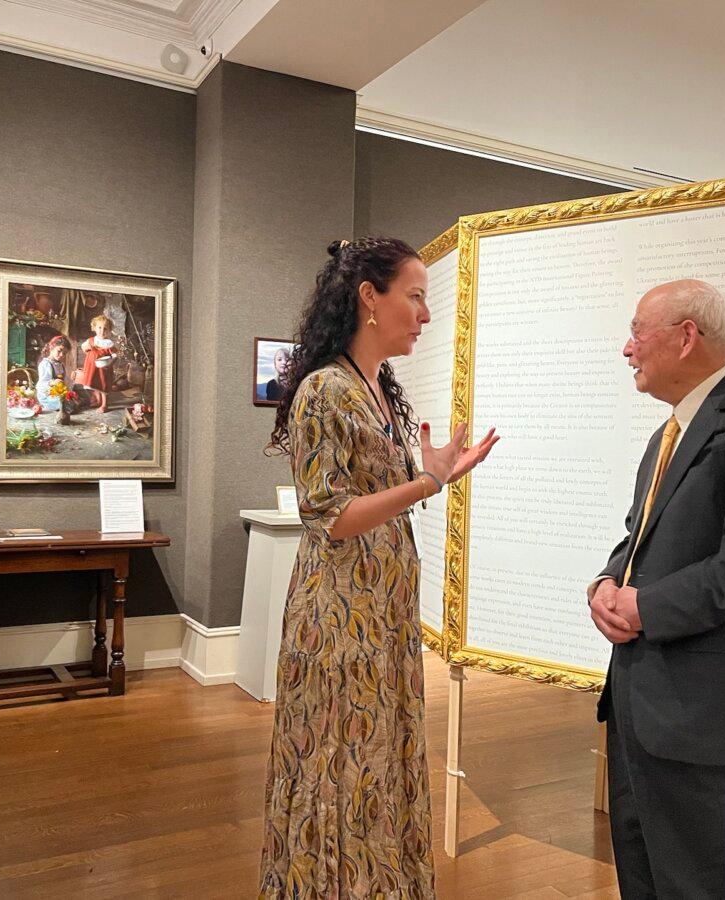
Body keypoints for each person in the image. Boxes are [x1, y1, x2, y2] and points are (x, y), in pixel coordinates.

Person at [258, 237, 498, 898]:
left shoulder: (376, 390)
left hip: (376, 621)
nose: (425, 313)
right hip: (338, 626)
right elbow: (329, 515)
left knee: (371, 770)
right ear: (370, 296)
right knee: (339, 770)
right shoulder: (324, 390)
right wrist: (427, 483)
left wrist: (427, 473)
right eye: (415, 296)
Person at [587, 278, 725, 898]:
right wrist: (607, 582)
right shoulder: (670, 433)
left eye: (638, 332)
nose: (627, 349)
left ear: (686, 337)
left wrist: (647, 606)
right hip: (643, 697)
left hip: (706, 710)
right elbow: (640, 537)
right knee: (644, 872)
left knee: (703, 882)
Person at [37, 335, 105, 423]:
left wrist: (72, 389)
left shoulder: (60, 364)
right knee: (69, 404)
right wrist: (52, 382)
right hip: (48, 395)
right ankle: (77, 403)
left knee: (81, 388)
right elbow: (41, 385)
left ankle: (81, 401)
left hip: (59, 392)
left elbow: (66, 381)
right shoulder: (45, 364)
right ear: (51, 347)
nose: (61, 355)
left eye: (64, 353)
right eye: (59, 350)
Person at [79, 315, 115, 408]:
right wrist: (88, 350)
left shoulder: (109, 343)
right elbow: (83, 348)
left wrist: (110, 362)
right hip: (92, 367)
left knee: (103, 385)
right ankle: (98, 400)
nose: (102, 331)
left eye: (105, 328)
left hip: (104, 368)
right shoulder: (91, 340)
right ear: (94, 328)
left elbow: (115, 355)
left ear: (109, 330)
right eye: (99, 327)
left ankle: (104, 404)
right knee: (94, 384)